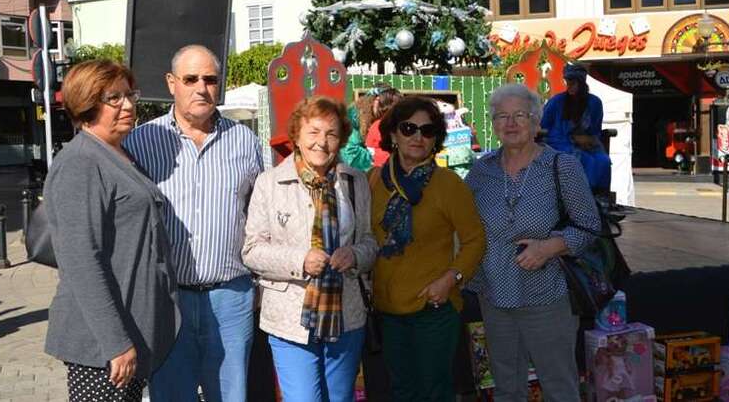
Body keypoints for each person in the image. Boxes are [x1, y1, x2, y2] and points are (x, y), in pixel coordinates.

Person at [123, 45, 263, 402]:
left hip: (231, 298)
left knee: (231, 395)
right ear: (172, 83)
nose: (202, 88)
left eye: (210, 79)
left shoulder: (245, 142)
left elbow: (259, 216)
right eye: (190, 79)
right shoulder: (140, 142)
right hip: (167, 300)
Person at [43, 60, 180, 402]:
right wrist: (115, 342)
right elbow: (81, 262)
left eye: (129, 95)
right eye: (114, 98)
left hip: (129, 330)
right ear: (87, 104)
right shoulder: (81, 162)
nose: (128, 105)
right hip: (101, 347)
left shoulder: (117, 153)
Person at [464, 83, 601, 402]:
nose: (510, 123)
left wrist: (549, 247)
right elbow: (461, 224)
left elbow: (589, 226)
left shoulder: (561, 166)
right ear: (493, 124)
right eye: (502, 116)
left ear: (536, 121)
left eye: (520, 115)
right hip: (494, 294)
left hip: (547, 294)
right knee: (506, 388)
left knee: (559, 386)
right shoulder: (481, 170)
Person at [242, 95, 378, 402]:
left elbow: (370, 243)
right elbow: (251, 250)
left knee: (339, 398)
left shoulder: (355, 182)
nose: (322, 142)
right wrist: (299, 260)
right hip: (290, 318)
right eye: (313, 132)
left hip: (345, 314)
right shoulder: (270, 183)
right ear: (297, 135)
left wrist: (355, 254)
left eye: (331, 134)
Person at [369, 96, 486, 402]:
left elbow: (475, 240)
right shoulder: (375, 181)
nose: (418, 137)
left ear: (436, 139)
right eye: (409, 128)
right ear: (393, 134)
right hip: (388, 308)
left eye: (428, 130)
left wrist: (450, 279)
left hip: (434, 308)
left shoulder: (448, 184)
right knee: (401, 391)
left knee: (434, 391)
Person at [541, 63, 611, 191]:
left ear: (582, 83)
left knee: (603, 161)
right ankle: (583, 194)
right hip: (560, 143)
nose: (569, 86)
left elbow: (596, 130)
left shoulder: (595, 103)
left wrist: (588, 140)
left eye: (573, 83)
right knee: (583, 159)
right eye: (568, 83)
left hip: (588, 144)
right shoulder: (556, 101)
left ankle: (601, 194)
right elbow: (543, 125)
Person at [340, 84, 401, 171]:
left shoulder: (379, 118)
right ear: (376, 100)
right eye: (387, 107)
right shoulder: (355, 116)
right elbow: (348, 151)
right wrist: (376, 156)